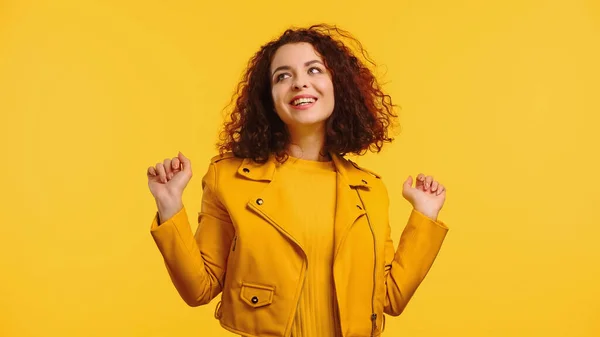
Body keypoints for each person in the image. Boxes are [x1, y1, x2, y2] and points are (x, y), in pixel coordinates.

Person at [146, 24, 449, 337]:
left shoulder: (368, 189)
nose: (300, 83)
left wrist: (425, 215)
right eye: (283, 75)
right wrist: (169, 204)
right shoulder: (229, 178)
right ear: (270, 98)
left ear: (338, 86)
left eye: (314, 69)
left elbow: (391, 297)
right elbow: (199, 289)